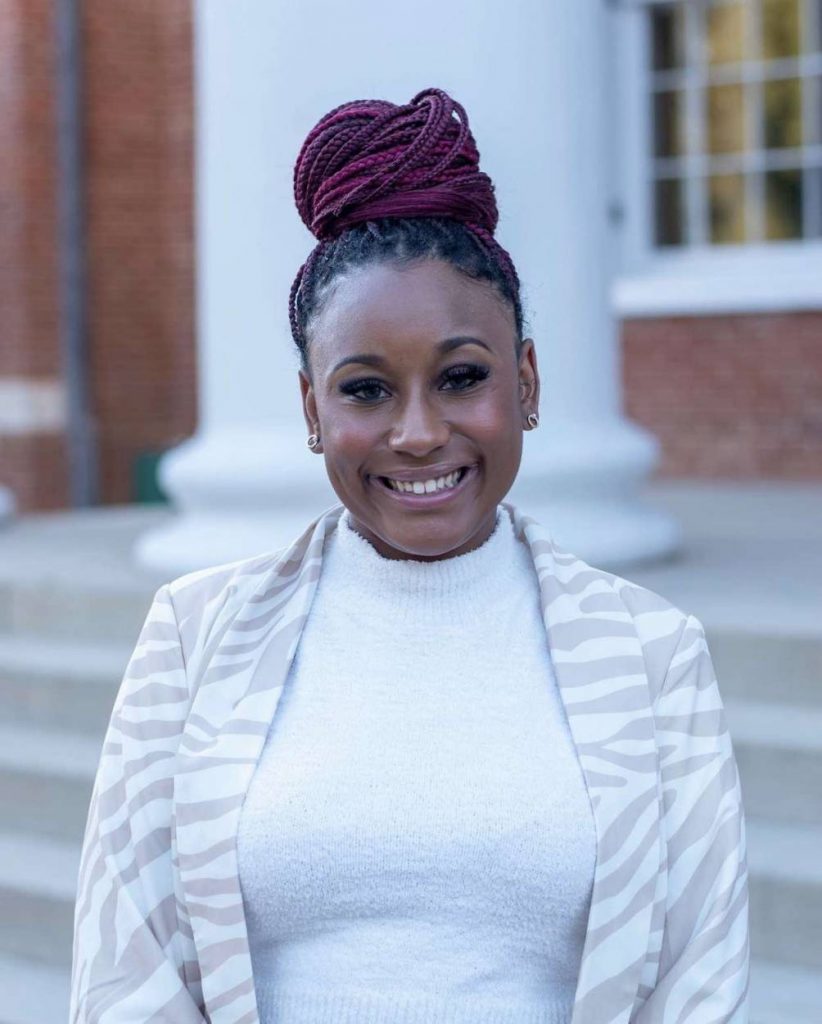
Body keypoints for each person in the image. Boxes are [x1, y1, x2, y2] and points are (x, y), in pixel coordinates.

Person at [69, 87, 750, 1023]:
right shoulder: (195, 638)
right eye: (366, 390)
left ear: (528, 382)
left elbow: (697, 983)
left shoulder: (651, 652)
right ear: (314, 411)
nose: (420, 433)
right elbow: (126, 973)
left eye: (463, 378)